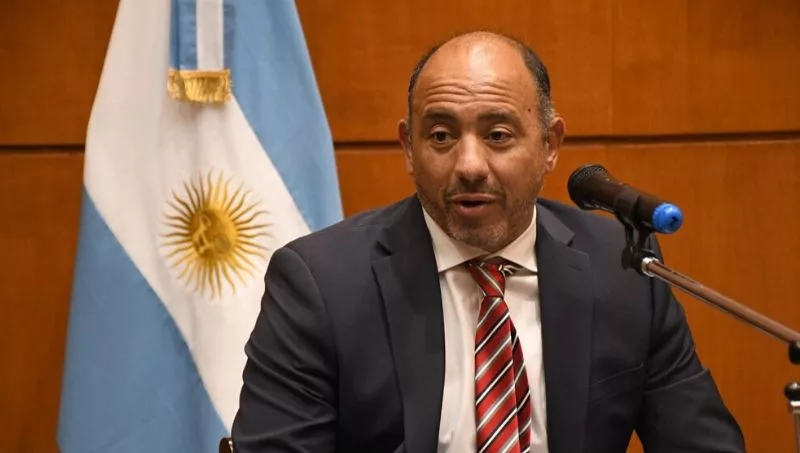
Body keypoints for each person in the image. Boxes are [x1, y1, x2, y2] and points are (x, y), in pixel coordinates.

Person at [230, 31, 745, 452]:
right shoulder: (322, 283)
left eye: (498, 135)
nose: (470, 165)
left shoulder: (622, 268)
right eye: (441, 136)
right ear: (408, 147)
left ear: (550, 145)